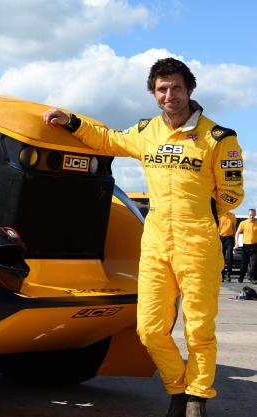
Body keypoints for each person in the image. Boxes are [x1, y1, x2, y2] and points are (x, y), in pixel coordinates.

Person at [43, 57, 244, 417]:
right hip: (155, 243)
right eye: (162, 89)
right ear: (154, 93)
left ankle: (196, 397)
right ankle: (178, 386)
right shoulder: (146, 131)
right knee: (149, 328)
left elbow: (232, 194)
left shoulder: (218, 138)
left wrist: (203, 211)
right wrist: (72, 122)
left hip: (198, 242)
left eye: (176, 87)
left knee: (198, 327)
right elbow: (108, 139)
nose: (170, 95)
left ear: (189, 90)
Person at [236, 209, 257, 283]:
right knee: (244, 263)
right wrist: (236, 243)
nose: (252, 216)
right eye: (250, 215)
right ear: (248, 215)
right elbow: (237, 232)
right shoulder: (243, 223)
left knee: (254, 263)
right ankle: (241, 278)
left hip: (255, 246)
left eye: (253, 215)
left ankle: (252, 278)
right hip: (246, 246)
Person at [218, 211, 237, 282]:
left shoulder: (232, 216)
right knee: (221, 257)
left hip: (229, 238)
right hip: (220, 238)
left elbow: (234, 228)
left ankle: (228, 275)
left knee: (229, 257)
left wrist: (235, 240)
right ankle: (222, 275)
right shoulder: (219, 215)